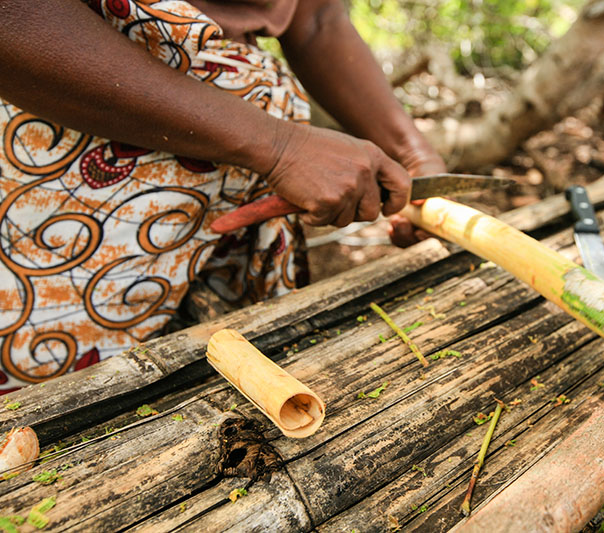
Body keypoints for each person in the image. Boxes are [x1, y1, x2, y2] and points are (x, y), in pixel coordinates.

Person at [0, 0, 445, 392]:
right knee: (55, 409)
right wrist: (278, 147)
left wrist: (412, 154)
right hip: (76, 181)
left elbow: (317, 18)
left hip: (241, 200)